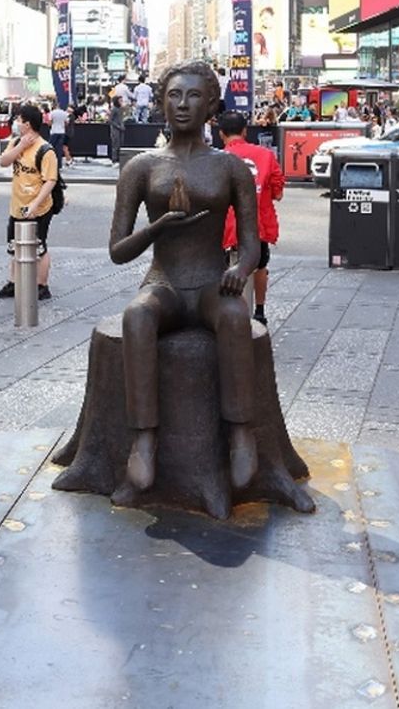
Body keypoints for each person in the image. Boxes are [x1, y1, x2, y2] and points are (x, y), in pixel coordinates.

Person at [110, 60, 260, 492]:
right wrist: (161, 225)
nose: (182, 104)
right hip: (166, 281)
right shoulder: (141, 167)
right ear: (160, 101)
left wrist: (240, 268)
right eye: (174, 95)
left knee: (235, 318)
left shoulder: (229, 168)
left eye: (194, 96)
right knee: (137, 316)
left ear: (212, 104)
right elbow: (118, 251)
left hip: (214, 281)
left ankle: (241, 434)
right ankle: (143, 439)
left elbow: (251, 242)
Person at [217, 111, 283, 325]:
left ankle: (233, 313)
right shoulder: (266, 155)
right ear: (245, 131)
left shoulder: (217, 159)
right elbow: (278, 193)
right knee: (260, 266)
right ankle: (260, 311)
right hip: (258, 224)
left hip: (229, 226)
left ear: (221, 134)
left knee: (229, 268)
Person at [0, 104, 58, 301]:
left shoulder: (46, 150)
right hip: (17, 205)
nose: (16, 124)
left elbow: (50, 181)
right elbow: (3, 161)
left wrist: (36, 204)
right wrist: (20, 146)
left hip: (39, 208)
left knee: (39, 246)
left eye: (19, 121)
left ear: (27, 124)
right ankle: (13, 283)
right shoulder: (16, 142)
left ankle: (42, 285)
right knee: (14, 245)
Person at [108, 96, 126, 166]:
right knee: (115, 145)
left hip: (121, 128)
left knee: (121, 145)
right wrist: (118, 126)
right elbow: (110, 120)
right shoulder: (114, 109)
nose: (122, 102)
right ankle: (114, 160)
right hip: (115, 130)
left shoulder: (120, 109)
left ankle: (119, 159)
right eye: (120, 101)